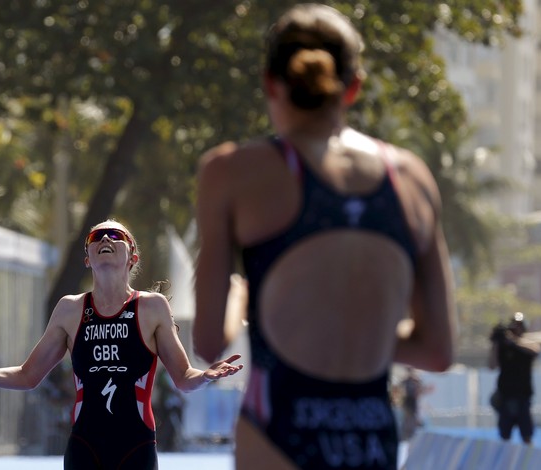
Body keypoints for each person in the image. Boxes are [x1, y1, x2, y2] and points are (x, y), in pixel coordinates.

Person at [192, 4, 457, 469]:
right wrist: (356, 328)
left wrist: (243, 297)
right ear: (352, 87)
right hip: (372, 434)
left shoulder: (232, 172)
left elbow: (210, 341)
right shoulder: (411, 178)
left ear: (270, 83)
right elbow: (438, 350)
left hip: (280, 431)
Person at [0, 219, 243, 470]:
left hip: (136, 447)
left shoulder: (152, 307)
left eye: (116, 236)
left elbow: (183, 378)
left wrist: (205, 376)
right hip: (84, 447)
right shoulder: (70, 309)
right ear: (87, 258)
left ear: (133, 257)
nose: (105, 239)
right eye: (97, 238)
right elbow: (27, 375)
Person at [488, 312, 540, 444]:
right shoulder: (504, 347)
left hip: (522, 396)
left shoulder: (526, 345)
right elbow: (492, 365)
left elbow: (535, 350)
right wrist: (496, 343)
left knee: (526, 435)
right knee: (505, 435)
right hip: (506, 396)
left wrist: (513, 342)